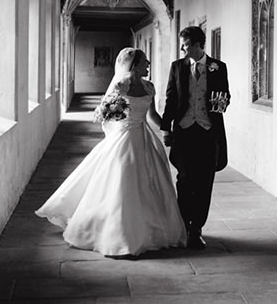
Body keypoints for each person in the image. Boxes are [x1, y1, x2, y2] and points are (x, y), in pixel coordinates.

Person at [36, 47, 187, 257]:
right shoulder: (120, 85)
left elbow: (152, 114)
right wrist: (117, 127)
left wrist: (168, 129)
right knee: (122, 183)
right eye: (145, 62)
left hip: (144, 138)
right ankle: (118, 233)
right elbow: (106, 116)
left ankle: (149, 229)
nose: (149, 65)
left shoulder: (149, 87)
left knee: (149, 183)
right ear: (134, 65)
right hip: (124, 137)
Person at [161, 26, 230, 250]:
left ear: (199, 44)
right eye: (183, 44)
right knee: (184, 180)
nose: (183, 48)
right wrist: (165, 128)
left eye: (187, 44)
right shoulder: (177, 67)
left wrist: (221, 102)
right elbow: (170, 98)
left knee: (204, 182)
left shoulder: (218, 67)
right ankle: (183, 224)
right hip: (184, 130)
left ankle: (196, 229)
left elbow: (224, 97)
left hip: (208, 132)